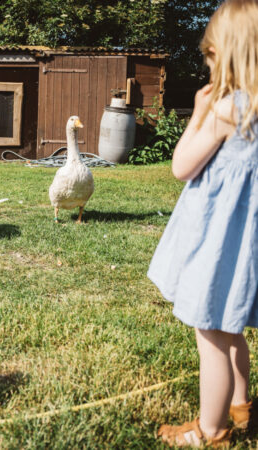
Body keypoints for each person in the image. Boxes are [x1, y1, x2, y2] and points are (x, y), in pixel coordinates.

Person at [147, 0, 258, 446]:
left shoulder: (228, 109)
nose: (207, 65)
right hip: (245, 243)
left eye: (210, 56)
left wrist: (198, 111)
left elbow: (182, 167)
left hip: (217, 241)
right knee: (232, 325)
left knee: (210, 331)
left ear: (228, 54)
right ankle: (242, 405)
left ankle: (211, 430)